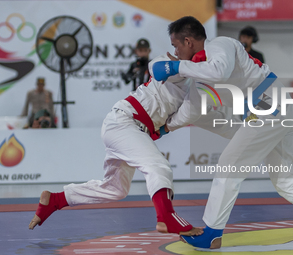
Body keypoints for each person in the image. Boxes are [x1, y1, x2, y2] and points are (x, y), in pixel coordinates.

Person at [152, 16, 293, 248]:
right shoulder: (201, 74)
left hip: (270, 106)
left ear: (189, 41)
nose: (175, 52)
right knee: (286, 181)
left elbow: (219, 71)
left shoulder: (220, 45)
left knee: (228, 165)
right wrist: (163, 128)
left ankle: (212, 232)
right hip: (272, 113)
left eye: (175, 46)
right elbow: (193, 112)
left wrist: (176, 66)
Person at [28, 55, 205, 237]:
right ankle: (166, 217)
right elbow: (157, 68)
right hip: (124, 122)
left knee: (116, 189)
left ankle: (56, 199)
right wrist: (184, 64)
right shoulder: (169, 62)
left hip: (131, 128)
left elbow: (179, 120)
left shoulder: (193, 89)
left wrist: (162, 130)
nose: (176, 49)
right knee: (158, 166)